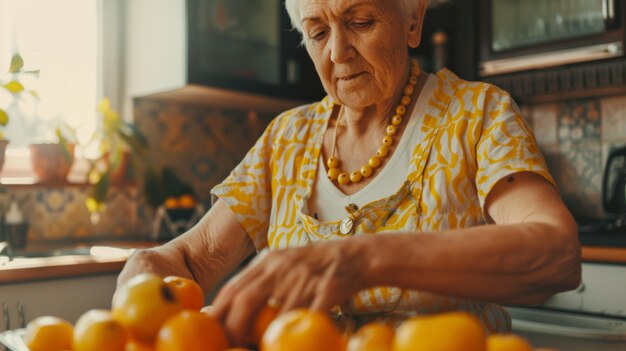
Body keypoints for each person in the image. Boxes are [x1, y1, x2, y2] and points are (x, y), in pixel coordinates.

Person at [116, 0, 581, 347]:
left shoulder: (477, 114)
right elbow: (195, 260)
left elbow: (555, 251)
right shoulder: (286, 137)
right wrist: (150, 271)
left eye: (360, 22)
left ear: (412, 20)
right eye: (318, 33)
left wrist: (361, 260)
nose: (339, 52)